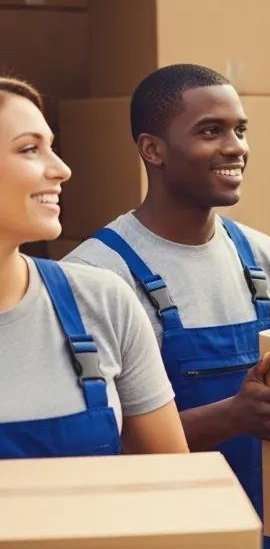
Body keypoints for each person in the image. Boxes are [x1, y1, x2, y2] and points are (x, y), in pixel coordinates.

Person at [66, 64, 270, 549]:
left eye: (240, 129)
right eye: (210, 131)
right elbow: (95, 453)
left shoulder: (260, 256)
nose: (235, 148)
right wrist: (235, 416)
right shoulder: (96, 276)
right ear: (152, 149)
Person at [0, 75, 187, 459]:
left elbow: (172, 487)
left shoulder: (102, 301)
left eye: (51, 146)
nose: (62, 169)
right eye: (29, 149)